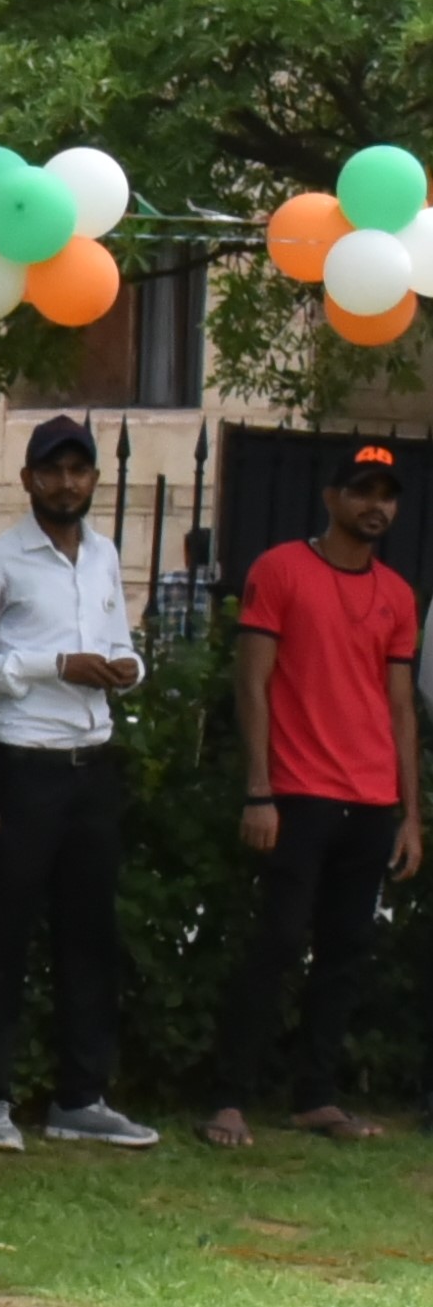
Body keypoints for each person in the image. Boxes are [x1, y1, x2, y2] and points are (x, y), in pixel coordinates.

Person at [0, 416, 154, 1149]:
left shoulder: (102, 554)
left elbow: (120, 644)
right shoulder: (1, 560)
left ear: (94, 478)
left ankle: (80, 1097)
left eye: (78, 471)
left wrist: (127, 669)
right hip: (24, 767)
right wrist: (50, 666)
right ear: (28, 479)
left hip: (91, 765)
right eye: (53, 471)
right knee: (3, 934)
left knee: (90, 935)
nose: (66, 484)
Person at [203, 446, 423, 1147]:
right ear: (331, 498)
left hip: (372, 799)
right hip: (297, 793)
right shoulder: (280, 570)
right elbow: (252, 682)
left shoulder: (396, 594)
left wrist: (411, 815)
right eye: (362, 491)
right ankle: (229, 1096)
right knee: (275, 941)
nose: (375, 506)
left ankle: (314, 1097)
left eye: (386, 495)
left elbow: (400, 706)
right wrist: (258, 790)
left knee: (345, 950)